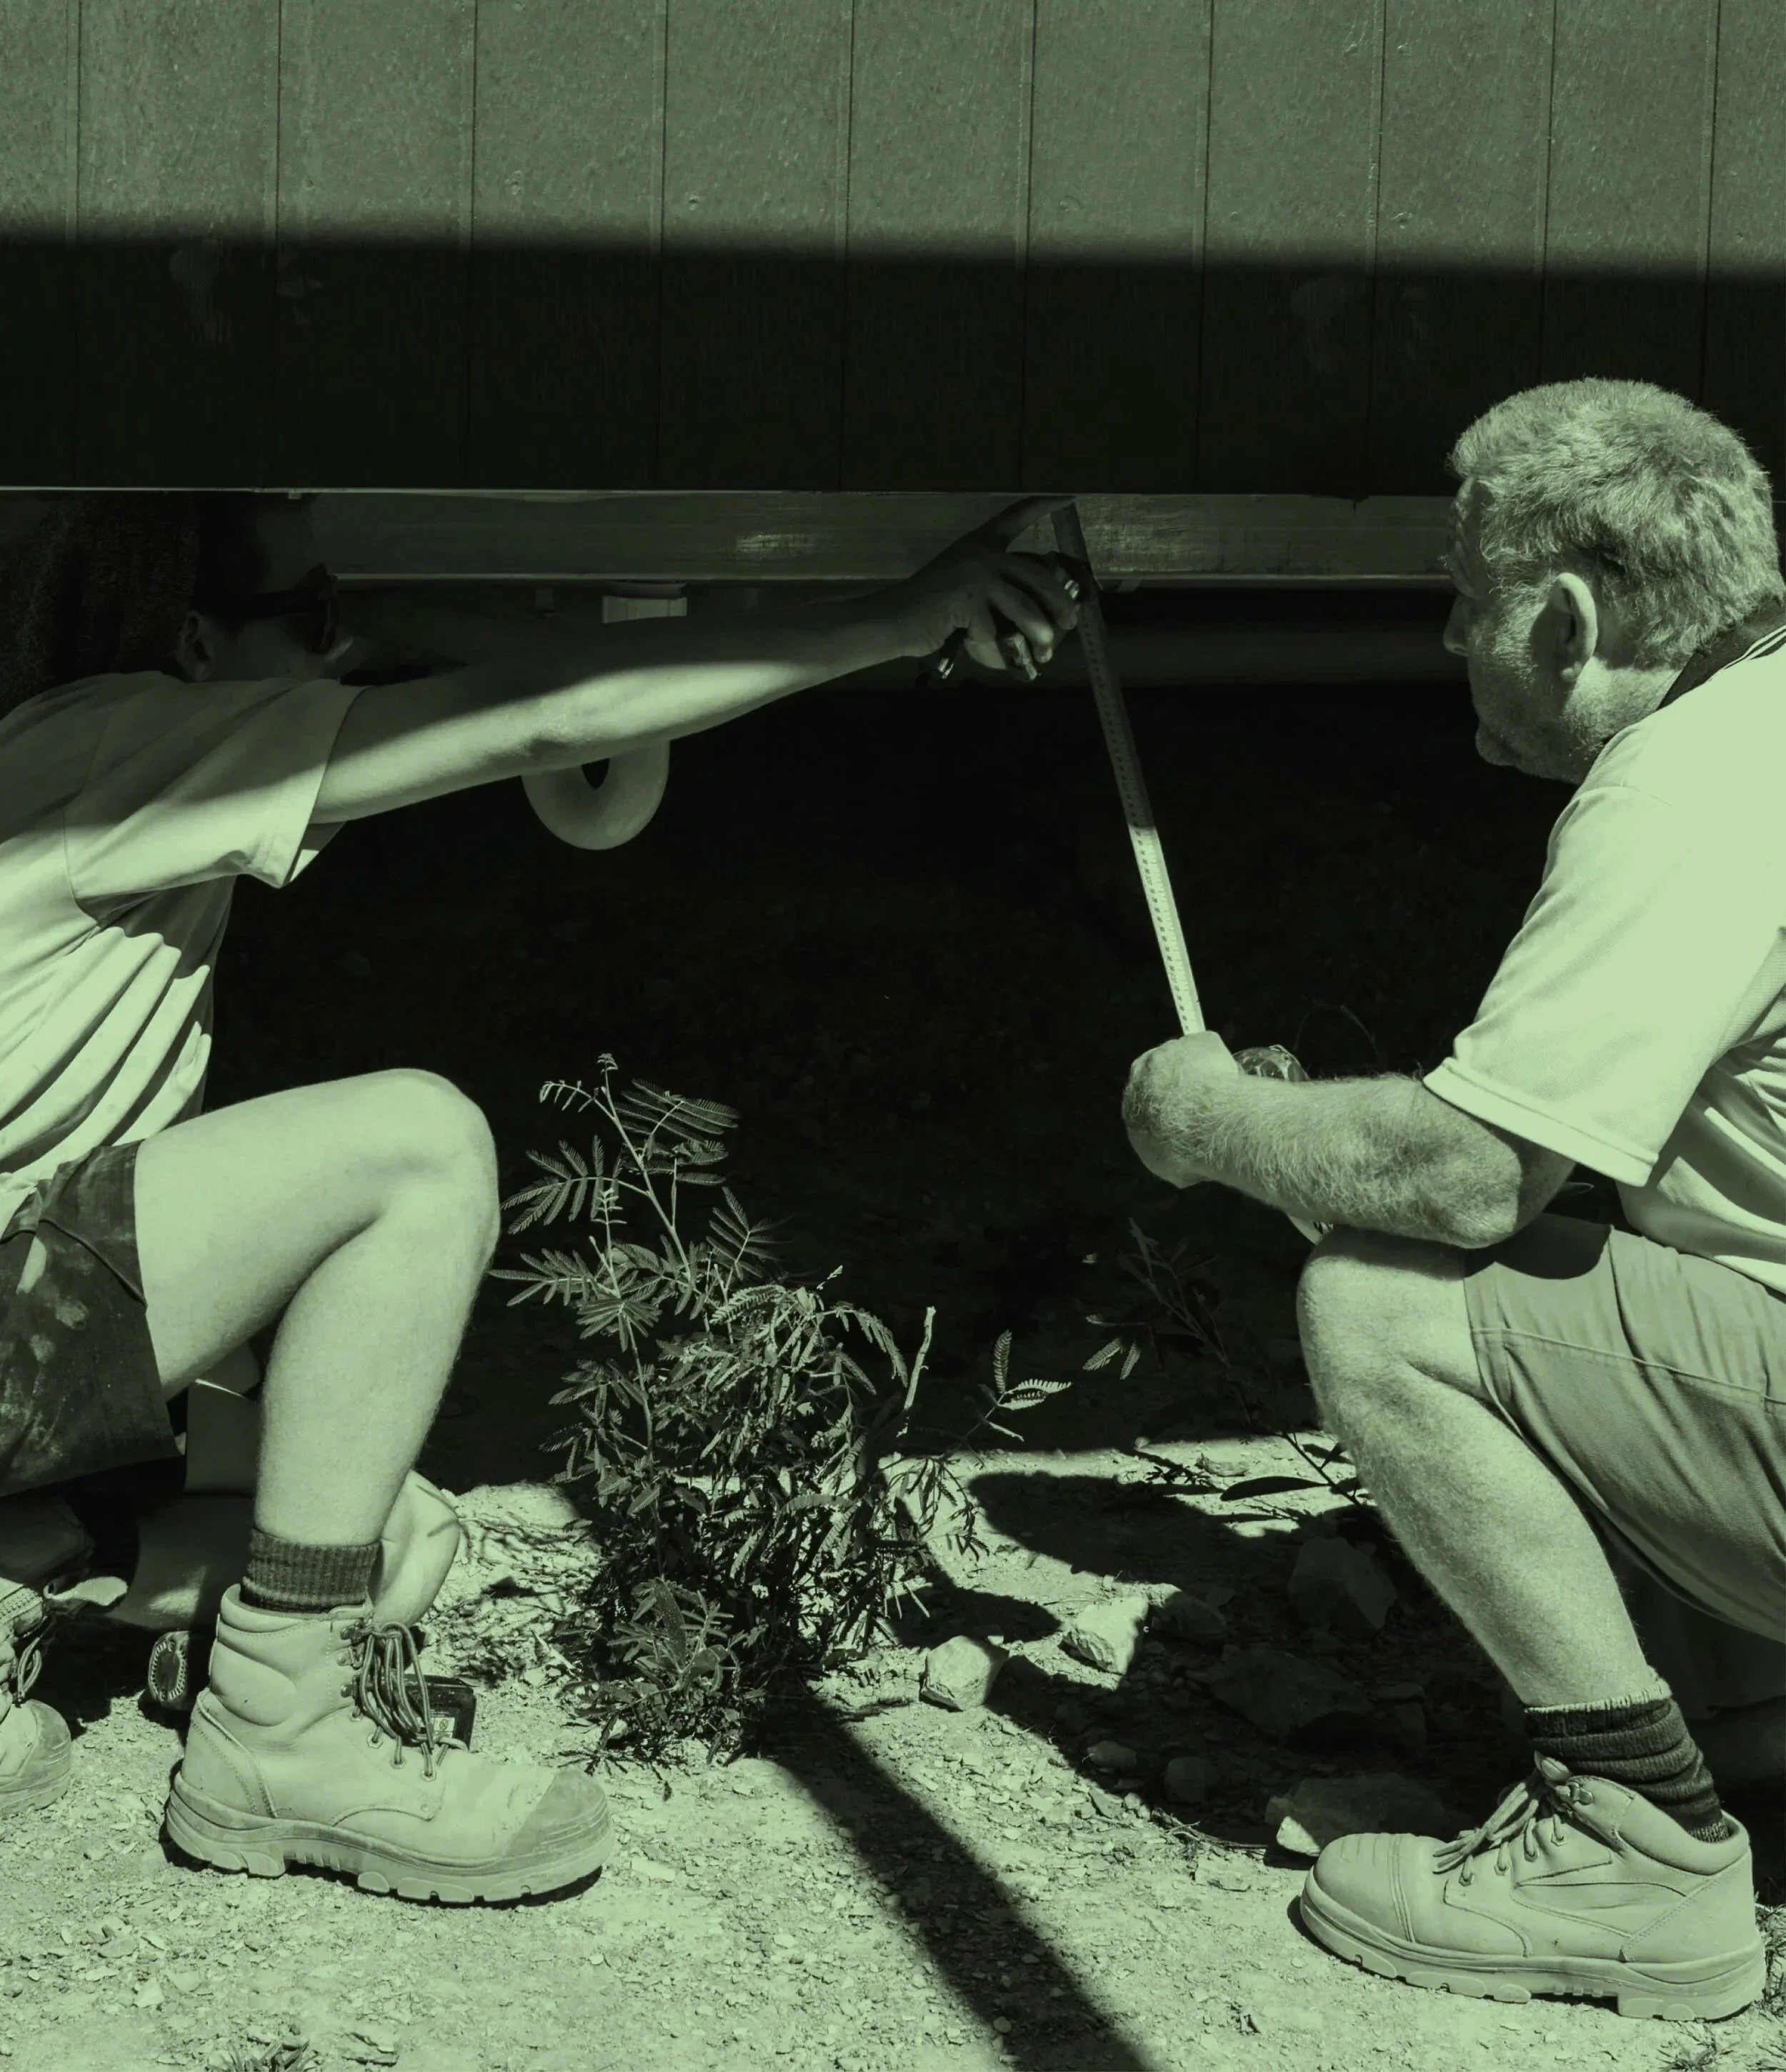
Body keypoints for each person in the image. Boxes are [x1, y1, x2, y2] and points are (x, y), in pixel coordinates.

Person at [0, 376, 1778, 2022]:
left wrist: (1235, 1125)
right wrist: (885, 613)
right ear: (192, 642)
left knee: (386, 1527)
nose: (350, 636)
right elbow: (538, 713)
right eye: (314, 610)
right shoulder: (120, 748)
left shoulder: (99, 744)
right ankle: (275, 1730)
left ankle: (46, 1562)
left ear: (1567, 622)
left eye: (1463, 601)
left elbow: (1462, 1176)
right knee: (411, 1151)